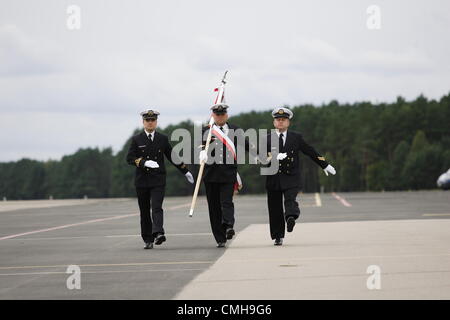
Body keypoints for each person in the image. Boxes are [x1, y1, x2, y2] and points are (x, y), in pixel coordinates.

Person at [263, 107, 336, 246]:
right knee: (274, 208)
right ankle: (278, 236)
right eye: (278, 120)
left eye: (283, 120)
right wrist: (273, 157)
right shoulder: (266, 138)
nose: (280, 122)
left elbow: (310, 151)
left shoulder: (296, 137)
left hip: (291, 176)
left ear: (288, 122)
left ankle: (290, 217)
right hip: (273, 177)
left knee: (290, 200)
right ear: (274, 122)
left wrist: (324, 164)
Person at [126, 109, 194, 249]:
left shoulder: (162, 139)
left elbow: (172, 156)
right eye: (148, 120)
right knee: (144, 210)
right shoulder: (137, 139)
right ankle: (147, 238)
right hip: (142, 180)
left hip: (158, 179)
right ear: (143, 122)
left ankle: (158, 233)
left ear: (156, 122)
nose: (150, 123)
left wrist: (185, 170)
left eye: (153, 120)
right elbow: (129, 159)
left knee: (157, 207)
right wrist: (143, 162)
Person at [199, 103, 257, 248]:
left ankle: (229, 225)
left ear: (227, 115)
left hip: (228, 172)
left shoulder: (234, 129)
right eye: (217, 115)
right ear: (213, 116)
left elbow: (245, 143)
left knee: (226, 201)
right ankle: (220, 237)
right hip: (210, 174)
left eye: (222, 114)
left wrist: (256, 153)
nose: (220, 117)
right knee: (214, 207)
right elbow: (198, 146)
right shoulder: (207, 130)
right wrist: (201, 153)